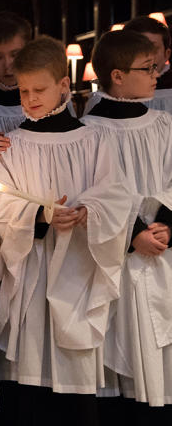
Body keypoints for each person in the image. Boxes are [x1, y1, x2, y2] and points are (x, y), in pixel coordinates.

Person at [0, 37, 130, 426]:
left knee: (78, 391)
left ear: (64, 87)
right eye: (23, 91)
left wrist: (89, 211)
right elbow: (0, 206)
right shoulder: (11, 146)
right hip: (34, 271)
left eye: (39, 89)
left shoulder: (95, 139)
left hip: (80, 270)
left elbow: (116, 194)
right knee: (32, 390)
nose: (30, 98)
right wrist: (40, 216)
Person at [83, 30, 172, 419]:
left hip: (161, 249)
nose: (157, 74)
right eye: (148, 68)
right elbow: (95, 190)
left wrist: (168, 226)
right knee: (118, 352)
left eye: (157, 67)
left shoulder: (163, 124)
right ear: (117, 75)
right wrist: (133, 232)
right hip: (115, 253)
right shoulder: (87, 130)